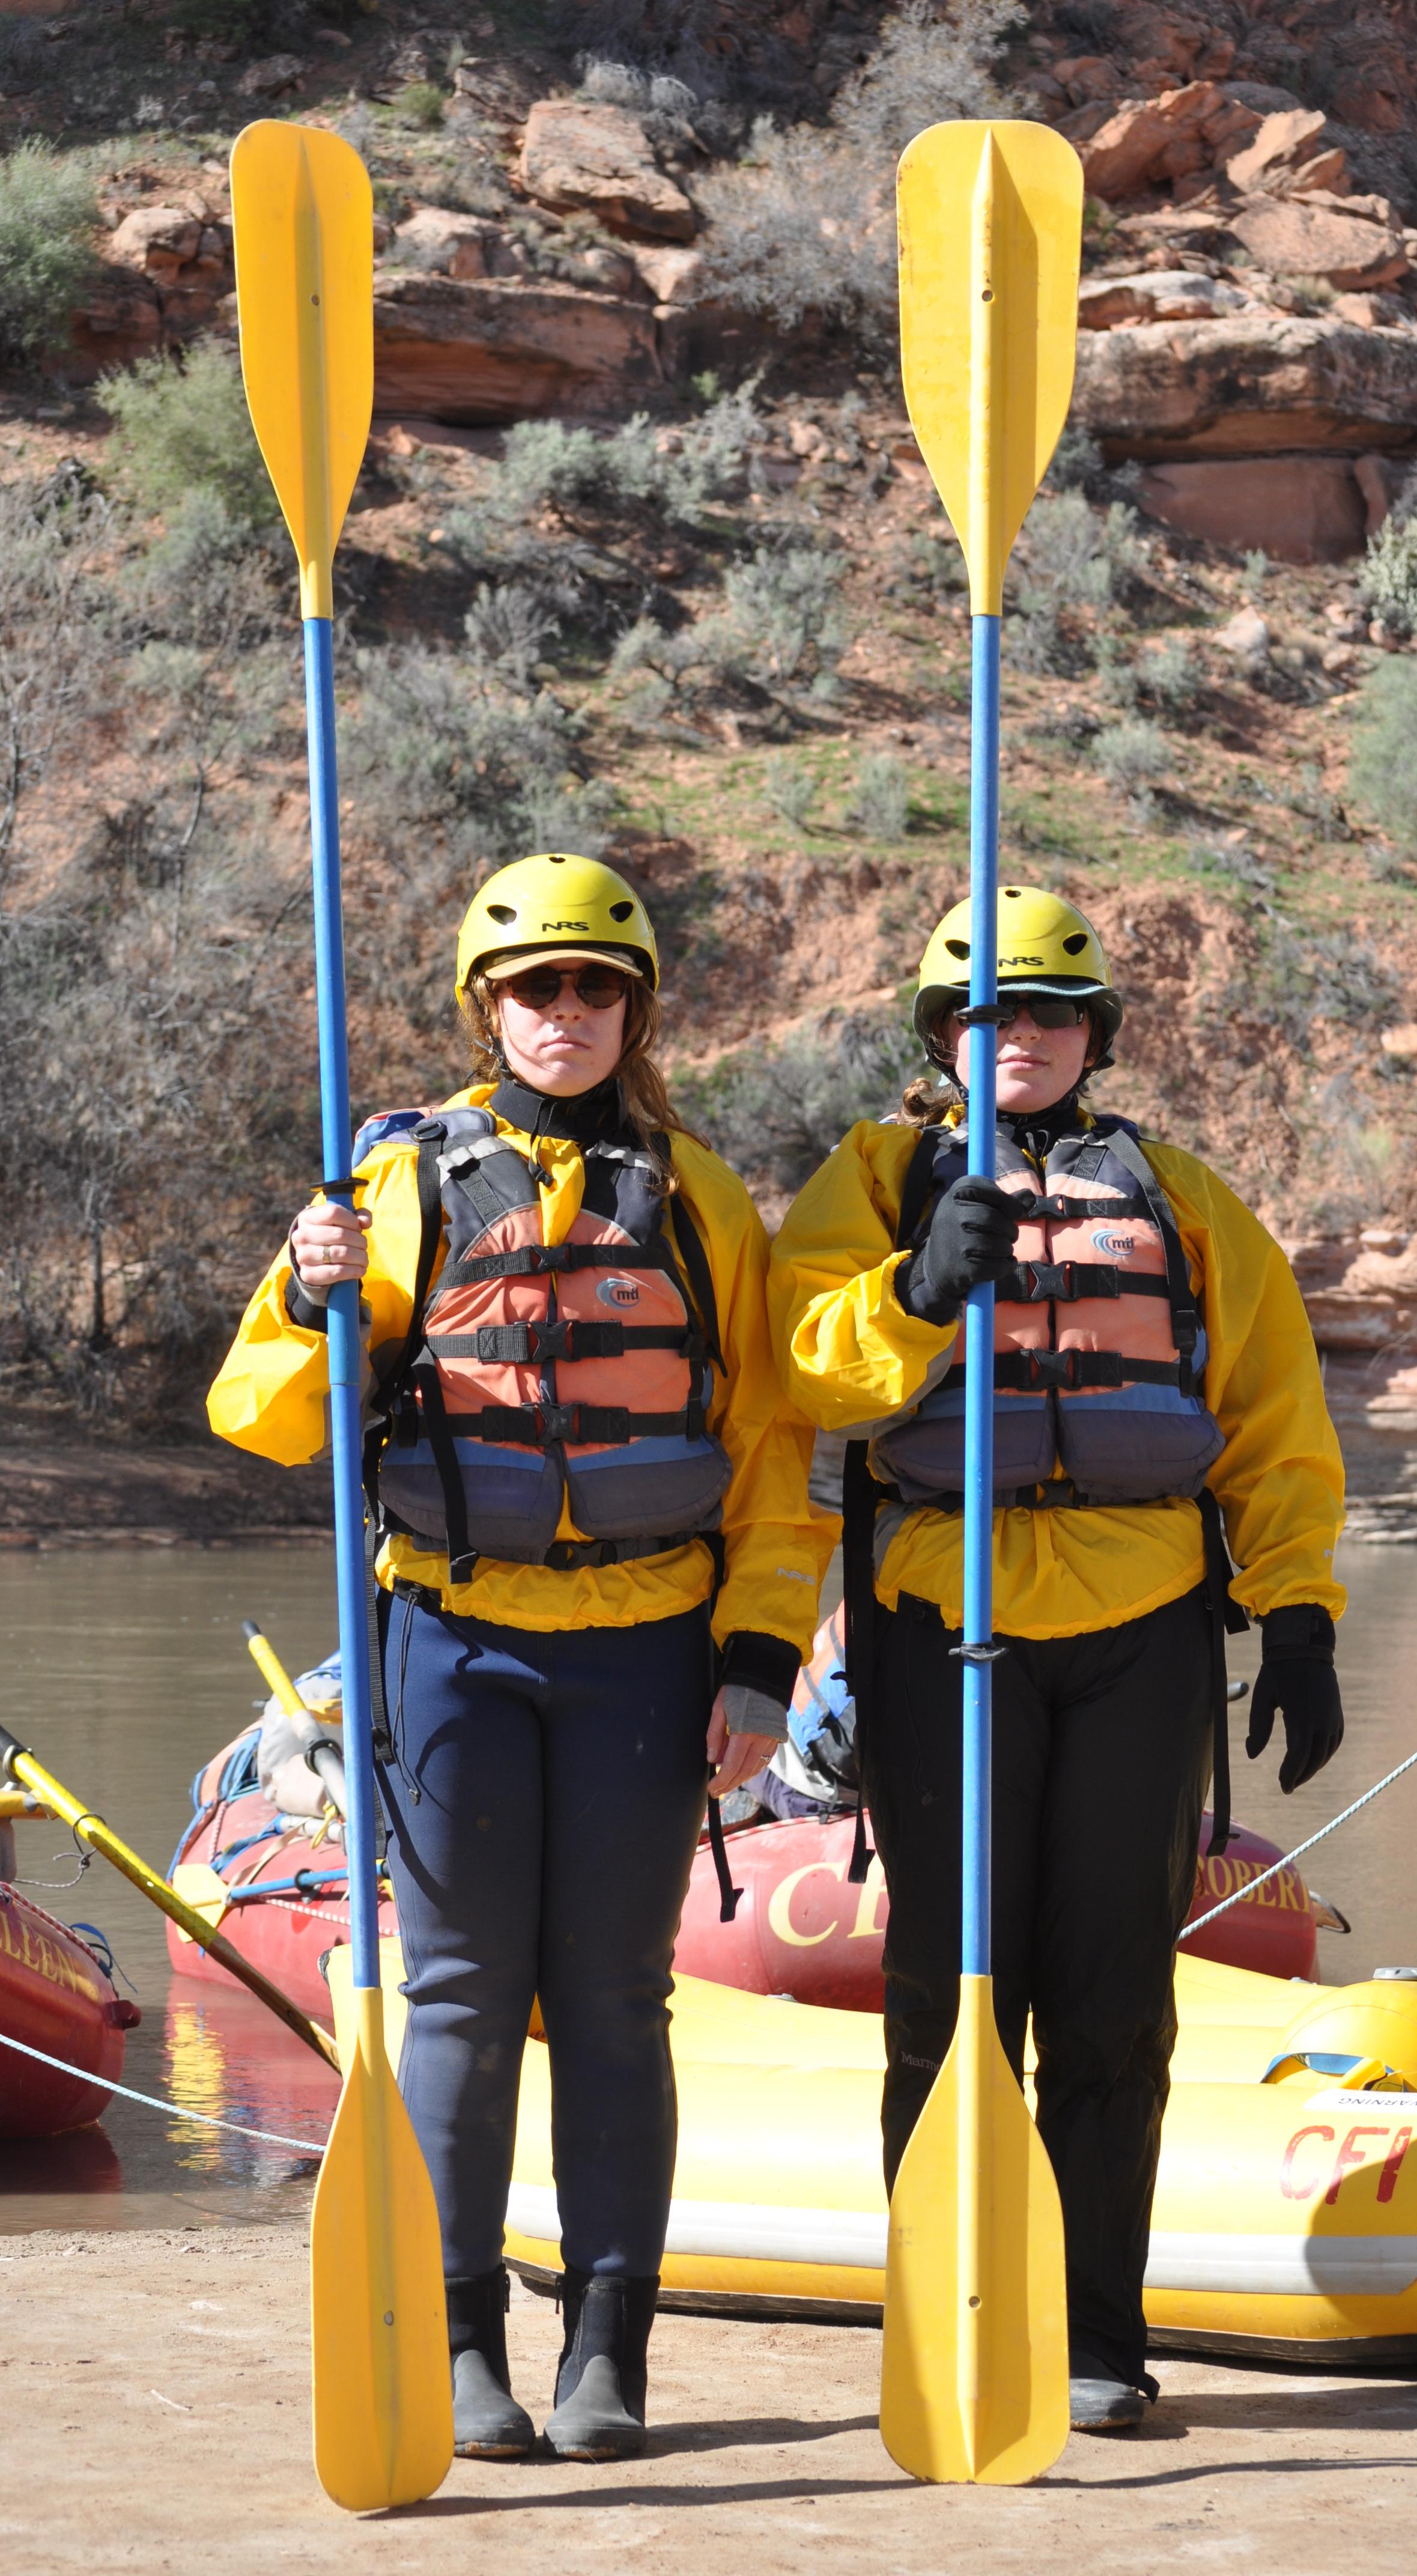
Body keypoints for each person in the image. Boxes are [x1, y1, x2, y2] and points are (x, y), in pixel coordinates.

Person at [208, 853, 822, 2464]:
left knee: (621, 2005)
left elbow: (767, 1451)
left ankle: (608, 2353)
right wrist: (308, 1288)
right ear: (486, 1008)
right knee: (466, 2001)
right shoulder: (397, 1184)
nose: (567, 1013)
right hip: (452, 1644)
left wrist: (760, 1659)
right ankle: (463, 2337)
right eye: (536, 988)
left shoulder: (698, 1196)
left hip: (647, 1651)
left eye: (595, 987)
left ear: (637, 1008)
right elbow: (264, 1418)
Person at [766, 885, 1346, 2431]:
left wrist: (1295, 1612)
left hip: (1138, 1624)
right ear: (937, 1034)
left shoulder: (1176, 1194)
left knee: (1108, 1999)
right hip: (938, 1629)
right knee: (950, 1989)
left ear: (1090, 1034)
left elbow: (1271, 1411)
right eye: (979, 1013)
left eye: (1040, 1012)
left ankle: (1098, 2332)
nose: (1008, 1036)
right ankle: (953, 2305)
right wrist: (911, 1287)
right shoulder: (879, 1176)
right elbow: (803, 1368)